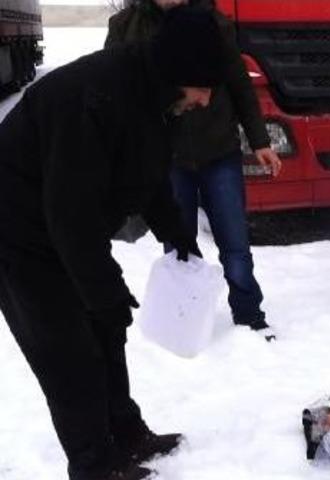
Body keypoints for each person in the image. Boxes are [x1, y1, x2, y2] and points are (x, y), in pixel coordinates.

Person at [0, 8, 226, 480]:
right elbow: (70, 213)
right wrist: (102, 291)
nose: (205, 100)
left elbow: (147, 172)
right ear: (179, 72)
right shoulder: (97, 99)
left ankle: (126, 433)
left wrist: (175, 231)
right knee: (67, 351)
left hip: (63, 222)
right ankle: (93, 465)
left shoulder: (154, 96)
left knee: (106, 333)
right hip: (17, 231)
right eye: (203, 87)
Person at [106, 0, 280, 341]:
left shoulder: (215, 22)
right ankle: (183, 318)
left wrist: (259, 140)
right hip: (166, 158)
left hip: (219, 151)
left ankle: (248, 313)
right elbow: (118, 92)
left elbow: (239, 84)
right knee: (178, 243)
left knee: (235, 242)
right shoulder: (127, 25)